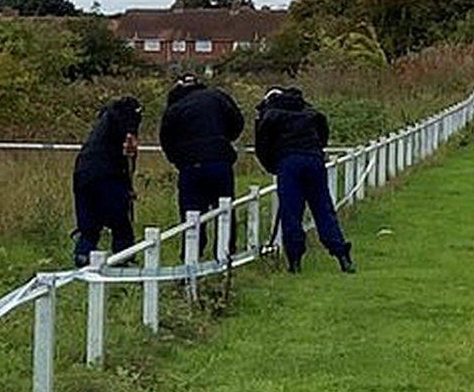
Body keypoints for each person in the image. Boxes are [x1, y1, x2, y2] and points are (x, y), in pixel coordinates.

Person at [255, 87, 355, 274]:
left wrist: (272, 166)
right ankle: (341, 253)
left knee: (291, 212)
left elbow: (262, 146)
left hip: (288, 163)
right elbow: (322, 133)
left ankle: (294, 261)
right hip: (313, 160)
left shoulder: (269, 115)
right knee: (323, 208)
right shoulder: (309, 111)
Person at [159, 73, 244, 258]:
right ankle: (225, 255)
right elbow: (237, 122)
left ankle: (191, 258)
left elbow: (166, 140)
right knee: (225, 210)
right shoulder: (218, 97)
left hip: (190, 167)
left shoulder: (174, 108)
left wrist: (179, 160)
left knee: (191, 214)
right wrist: (222, 141)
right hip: (219, 162)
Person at [72, 96, 143, 267]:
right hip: (106, 175)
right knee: (120, 222)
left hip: (82, 173)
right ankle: (123, 258)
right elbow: (127, 111)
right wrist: (132, 131)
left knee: (89, 223)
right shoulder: (121, 115)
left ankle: (82, 255)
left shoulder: (101, 129)